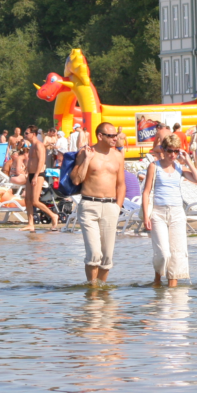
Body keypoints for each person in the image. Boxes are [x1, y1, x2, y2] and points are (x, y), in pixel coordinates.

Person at [141, 134, 197, 288]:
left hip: (177, 213)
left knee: (176, 252)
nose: (173, 155)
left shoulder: (179, 167)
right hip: (158, 213)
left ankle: (172, 288)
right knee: (163, 253)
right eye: (169, 151)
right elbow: (146, 192)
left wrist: (188, 160)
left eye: (176, 151)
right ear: (163, 150)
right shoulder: (154, 166)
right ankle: (157, 279)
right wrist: (145, 216)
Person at [70, 121, 126, 285]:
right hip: (89, 205)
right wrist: (87, 160)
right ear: (100, 136)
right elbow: (76, 180)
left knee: (107, 256)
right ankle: (93, 292)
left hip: (110, 206)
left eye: (115, 135)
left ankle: (101, 289)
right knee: (94, 253)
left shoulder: (117, 156)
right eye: (111, 135)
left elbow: (121, 184)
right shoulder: (86, 152)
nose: (115, 138)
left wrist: (118, 207)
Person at [22, 126, 59, 231]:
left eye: (26, 133)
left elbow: (41, 161)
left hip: (38, 175)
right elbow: (32, 160)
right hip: (30, 174)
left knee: (35, 201)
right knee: (27, 200)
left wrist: (36, 175)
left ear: (33, 134)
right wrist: (27, 168)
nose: (25, 135)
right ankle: (30, 224)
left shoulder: (39, 145)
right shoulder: (32, 146)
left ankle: (53, 215)